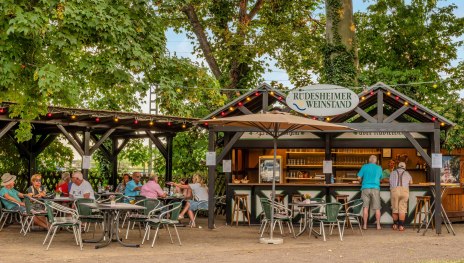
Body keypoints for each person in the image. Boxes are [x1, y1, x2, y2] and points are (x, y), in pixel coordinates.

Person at [357, 155, 383, 230]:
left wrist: (361, 181)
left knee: (365, 207)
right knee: (377, 208)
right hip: (375, 188)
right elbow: (381, 179)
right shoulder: (379, 168)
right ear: (376, 161)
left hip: (365, 188)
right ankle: (378, 226)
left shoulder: (364, 166)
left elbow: (359, 178)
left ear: (369, 160)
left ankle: (365, 225)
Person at [390, 162, 413, 231]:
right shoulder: (407, 173)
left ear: (398, 166)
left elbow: (390, 182)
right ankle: (401, 226)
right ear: (405, 167)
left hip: (395, 191)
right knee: (402, 209)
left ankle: (395, 225)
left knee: (395, 208)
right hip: (404, 191)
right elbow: (411, 182)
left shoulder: (393, 173)